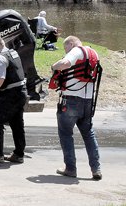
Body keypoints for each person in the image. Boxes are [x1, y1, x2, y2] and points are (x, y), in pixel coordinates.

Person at [50, 36, 101, 180]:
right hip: (88, 102)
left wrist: (54, 66)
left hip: (71, 101)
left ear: (71, 44)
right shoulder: (94, 53)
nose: (66, 52)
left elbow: (65, 63)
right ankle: (96, 169)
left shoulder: (76, 51)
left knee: (66, 134)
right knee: (88, 134)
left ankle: (70, 168)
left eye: (66, 48)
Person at [0, 36, 27, 164]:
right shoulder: (12, 52)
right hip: (21, 92)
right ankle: (19, 154)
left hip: (10, 94)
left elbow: (0, 79)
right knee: (17, 124)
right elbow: (10, 67)